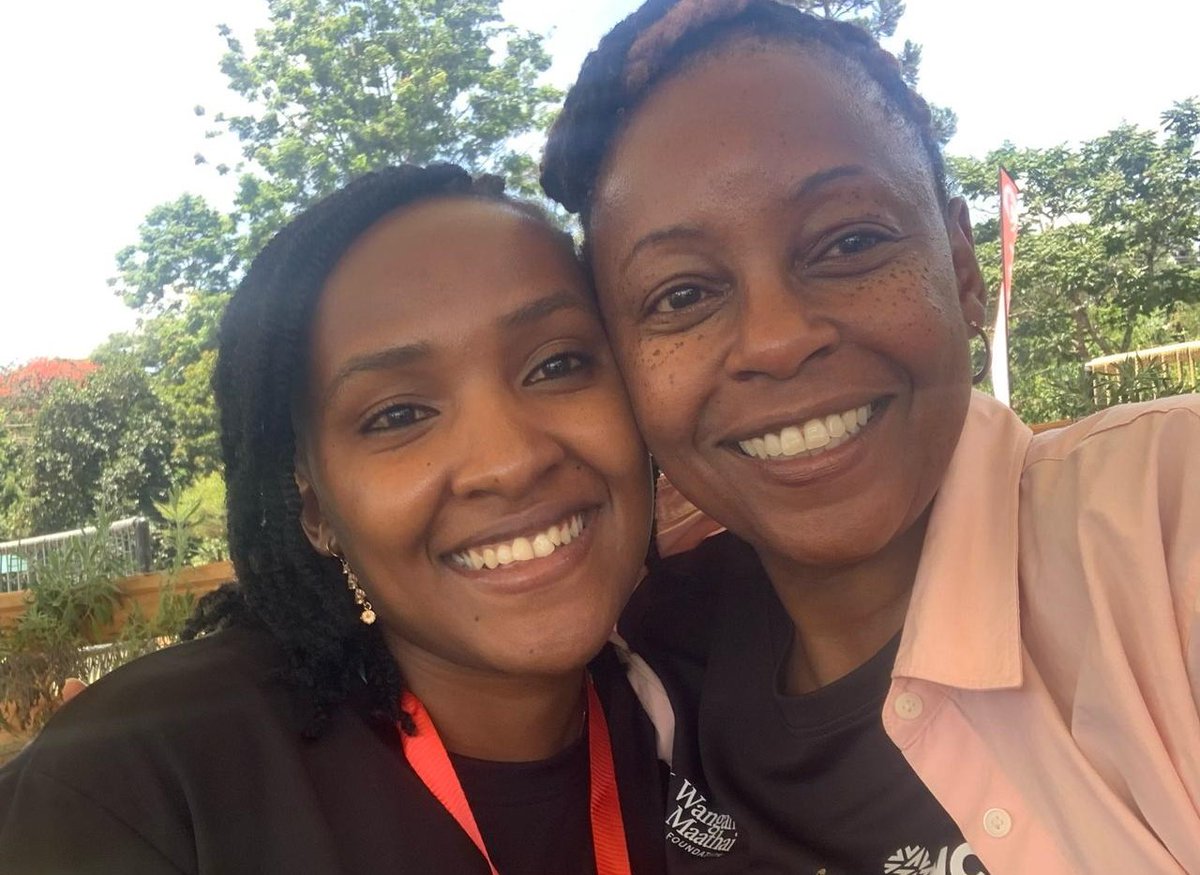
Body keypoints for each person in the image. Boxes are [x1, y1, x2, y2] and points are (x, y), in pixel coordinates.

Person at [540, 1, 1200, 872]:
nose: (776, 339)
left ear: (962, 269)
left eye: (850, 240)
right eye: (682, 295)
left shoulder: (1158, 525)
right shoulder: (646, 644)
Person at [0, 164, 666, 874]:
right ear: (312, 505)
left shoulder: (697, 712)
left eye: (557, 364)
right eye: (399, 414)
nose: (509, 461)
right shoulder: (145, 784)